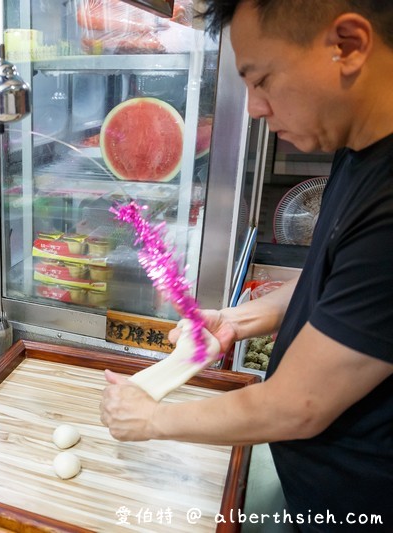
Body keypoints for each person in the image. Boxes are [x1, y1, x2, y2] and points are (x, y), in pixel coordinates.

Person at [100, 0, 393, 529]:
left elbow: (296, 405)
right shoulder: (360, 149)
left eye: (261, 80)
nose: (255, 107)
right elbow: (337, 285)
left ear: (348, 45)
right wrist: (235, 320)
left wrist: (152, 419)